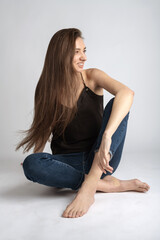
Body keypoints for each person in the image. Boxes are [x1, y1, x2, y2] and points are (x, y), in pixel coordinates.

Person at [15, 28, 150, 218]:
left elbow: (127, 93)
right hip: (68, 164)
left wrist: (106, 137)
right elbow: (43, 129)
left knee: (118, 104)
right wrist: (40, 164)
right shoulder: (46, 89)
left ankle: (89, 186)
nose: (84, 57)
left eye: (84, 51)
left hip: (102, 158)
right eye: (77, 51)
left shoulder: (92, 76)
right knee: (31, 163)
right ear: (60, 54)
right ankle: (106, 185)